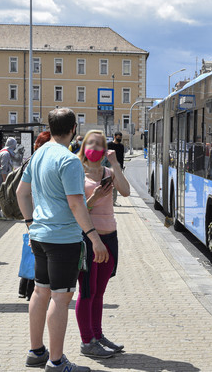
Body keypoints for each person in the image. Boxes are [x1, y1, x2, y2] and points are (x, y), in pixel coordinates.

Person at [17, 108, 109, 372]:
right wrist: (94, 238)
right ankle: (56, 362)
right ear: (74, 129)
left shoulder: (39, 154)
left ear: (50, 126)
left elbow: (21, 192)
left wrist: (30, 224)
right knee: (60, 298)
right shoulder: (69, 161)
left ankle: (36, 352)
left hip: (40, 236)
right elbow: (76, 204)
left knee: (40, 291)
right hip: (63, 239)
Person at [76, 130, 130, 358]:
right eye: (92, 143)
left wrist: (115, 163)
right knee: (87, 292)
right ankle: (86, 341)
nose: (97, 148)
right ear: (84, 146)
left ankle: (98, 335)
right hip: (89, 239)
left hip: (110, 238)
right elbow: (75, 209)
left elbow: (126, 192)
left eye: (101, 144)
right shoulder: (77, 172)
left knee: (99, 292)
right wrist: (95, 198)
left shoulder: (108, 171)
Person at [19, 131, 53, 300]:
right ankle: (30, 290)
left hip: (32, 212)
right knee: (35, 253)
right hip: (37, 212)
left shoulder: (32, 160)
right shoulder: (39, 161)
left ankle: (24, 288)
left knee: (30, 251)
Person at [0, 137, 23, 220]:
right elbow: (3, 169)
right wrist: (6, 182)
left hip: (1, 177)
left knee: (0, 194)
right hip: (3, 178)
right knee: (2, 195)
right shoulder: (6, 154)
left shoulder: (3, 152)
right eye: (14, 144)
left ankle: (0, 214)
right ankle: (0, 214)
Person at [106, 132, 125, 205]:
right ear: (114, 137)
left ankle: (113, 201)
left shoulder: (121, 146)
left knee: (116, 184)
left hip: (118, 167)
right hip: (109, 166)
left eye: (120, 137)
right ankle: (107, 200)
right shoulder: (109, 145)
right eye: (118, 137)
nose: (119, 138)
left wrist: (122, 167)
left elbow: (122, 157)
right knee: (108, 183)